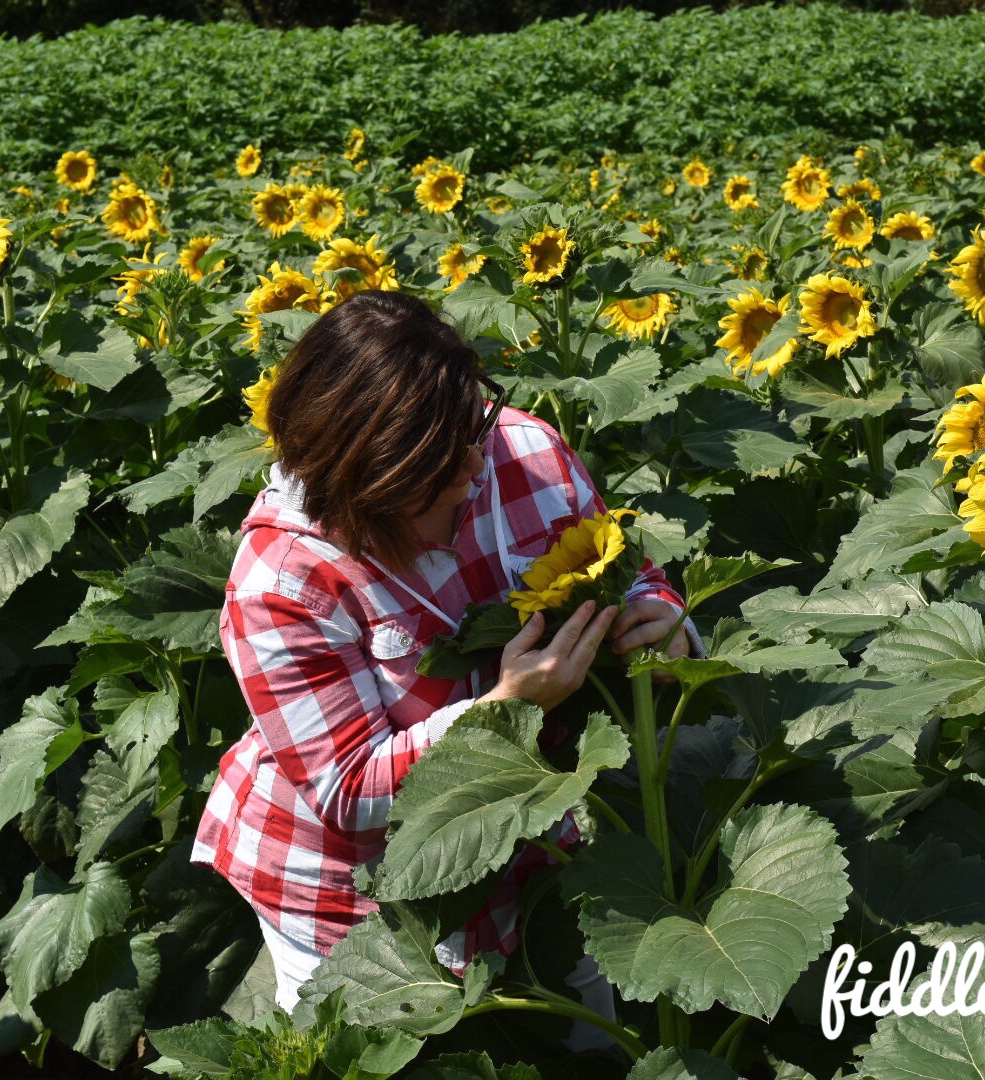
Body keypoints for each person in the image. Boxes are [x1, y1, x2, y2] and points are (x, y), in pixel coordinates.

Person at [191, 289, 698, 1049]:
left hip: (543, 843)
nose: (472, 470)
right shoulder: (283, 581)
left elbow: (628, 569)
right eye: (435, 464)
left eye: (472, 432)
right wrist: (505, 707)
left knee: (593, 1042)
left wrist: (664, 621)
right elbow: (349, 790)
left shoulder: (521, 453)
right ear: (365, 480)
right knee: (386, 1059)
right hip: (359, 897)